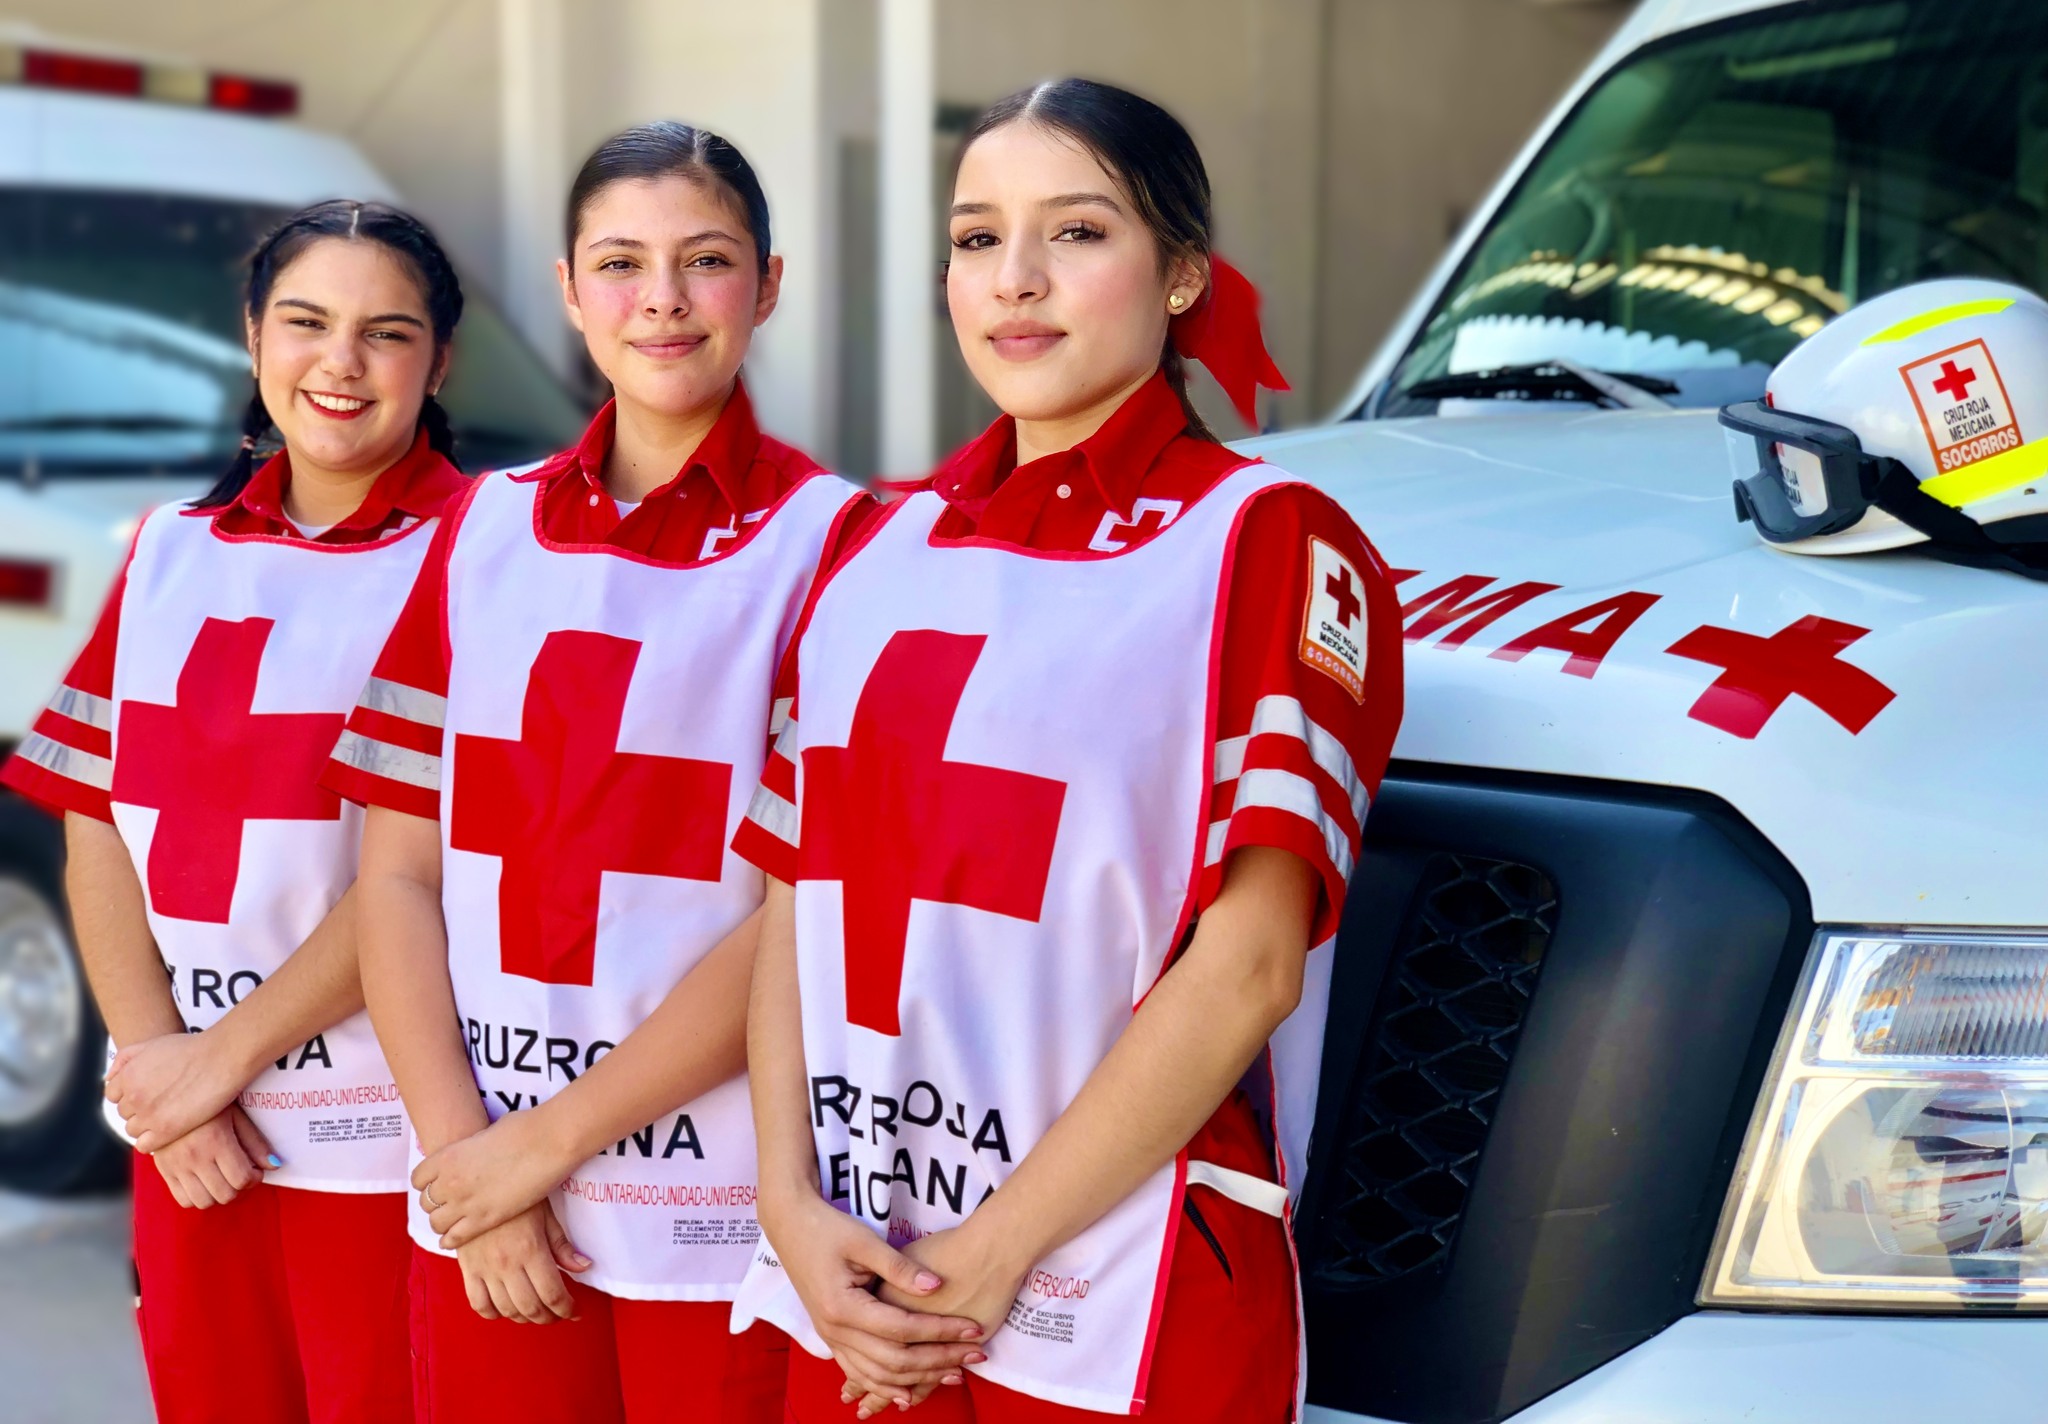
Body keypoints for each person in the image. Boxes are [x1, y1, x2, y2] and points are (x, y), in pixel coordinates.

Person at [730, 77, 1406, 1422]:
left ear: (1181, 275)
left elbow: (1252, 965)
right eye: (977, 238)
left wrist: (989, 1255)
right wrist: (785, 1201)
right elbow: (797, 905)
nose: (1016, 280)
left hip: (1117, 1300)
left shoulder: (1263, 539)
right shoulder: (873, 544)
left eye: (1078, 232)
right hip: (856, 1283)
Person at [326, 122, 866, 1424]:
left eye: (706, 260)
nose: (662, 299)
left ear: (769, 285)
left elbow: (798, 917)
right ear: (570, 291)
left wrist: (541, 1147)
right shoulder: (481, 529)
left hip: (715, 1222)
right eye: (620, 263)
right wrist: (469, 1164)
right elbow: (395, 879)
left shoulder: (841, 542)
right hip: (485, 1211)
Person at [0, 200, 473, 1424]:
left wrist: (212, 1065)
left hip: (388, 1146)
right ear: (253, 335)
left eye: (387, 332)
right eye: (306, 322)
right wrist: (160, 1077)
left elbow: (418, 874)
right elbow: (94, 815)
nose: (341, 362)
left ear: (439, 363)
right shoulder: (169, 548)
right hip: (197, 1147)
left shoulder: (487, 555)